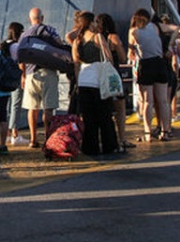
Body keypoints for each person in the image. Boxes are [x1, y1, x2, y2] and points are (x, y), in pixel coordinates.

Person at [72, 12, 118, 156]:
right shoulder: (98, 37)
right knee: (104, 115)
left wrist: (78, 82)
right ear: (90, 23)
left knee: (88, 117)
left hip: (83, 80)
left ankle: (90, 147)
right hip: (98, 80)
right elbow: (108, 57)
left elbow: (76, 65)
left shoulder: (76, 41)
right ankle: (109, 146)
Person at [19, 8, 64, 148]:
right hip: (48, 72)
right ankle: (48, 138)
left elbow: (20, 57)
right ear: (42, 18)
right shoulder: (50, 30)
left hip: (32, 74)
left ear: (30, 19)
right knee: (48, 108)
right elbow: (60, 45)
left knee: (32, 108)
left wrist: (24, 74)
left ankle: (33, 139)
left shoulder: (25, 35)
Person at [128, 8, 171, 142]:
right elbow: (176, 28)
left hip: (145, 64)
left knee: (148, 101)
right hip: (160, 62)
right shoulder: (155, 27)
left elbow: (130, 52)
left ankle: (147, 133)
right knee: (163, 100)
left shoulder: (133, 31)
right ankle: (165, 131)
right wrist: (168, 46)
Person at [97, 13, 131, 150]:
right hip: (113, 76)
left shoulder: (95, 38)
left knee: (104, 109)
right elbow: (123, 58)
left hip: (99, 76)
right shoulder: (113, 37)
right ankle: (122, 138)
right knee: (120, 109)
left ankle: (104, 137)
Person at [4, 21, 27, 145]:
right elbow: (21, 63)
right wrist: (23, 76)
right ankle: (15, 134)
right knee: (16, 105)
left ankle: (7, 132)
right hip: (15, 78)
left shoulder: (4, 44)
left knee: (8, 105)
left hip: (5, 78)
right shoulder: (17, 46)